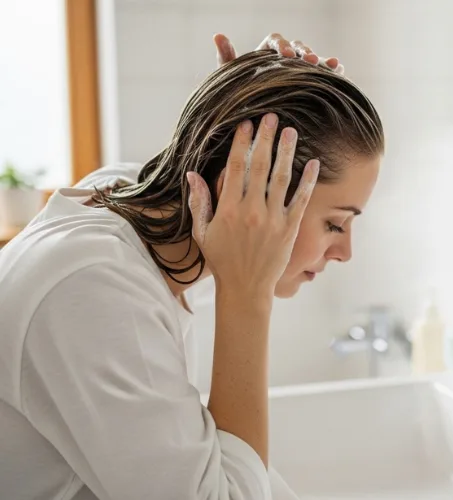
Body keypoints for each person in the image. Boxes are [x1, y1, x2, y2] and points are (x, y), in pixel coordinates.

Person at [0, 32, 382, 500]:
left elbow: (193, 177)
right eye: (335, 224)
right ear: (245, 192)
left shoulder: (121, 202)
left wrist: (241, 97)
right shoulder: (92, 288)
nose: (345, 253)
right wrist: (247, 295)